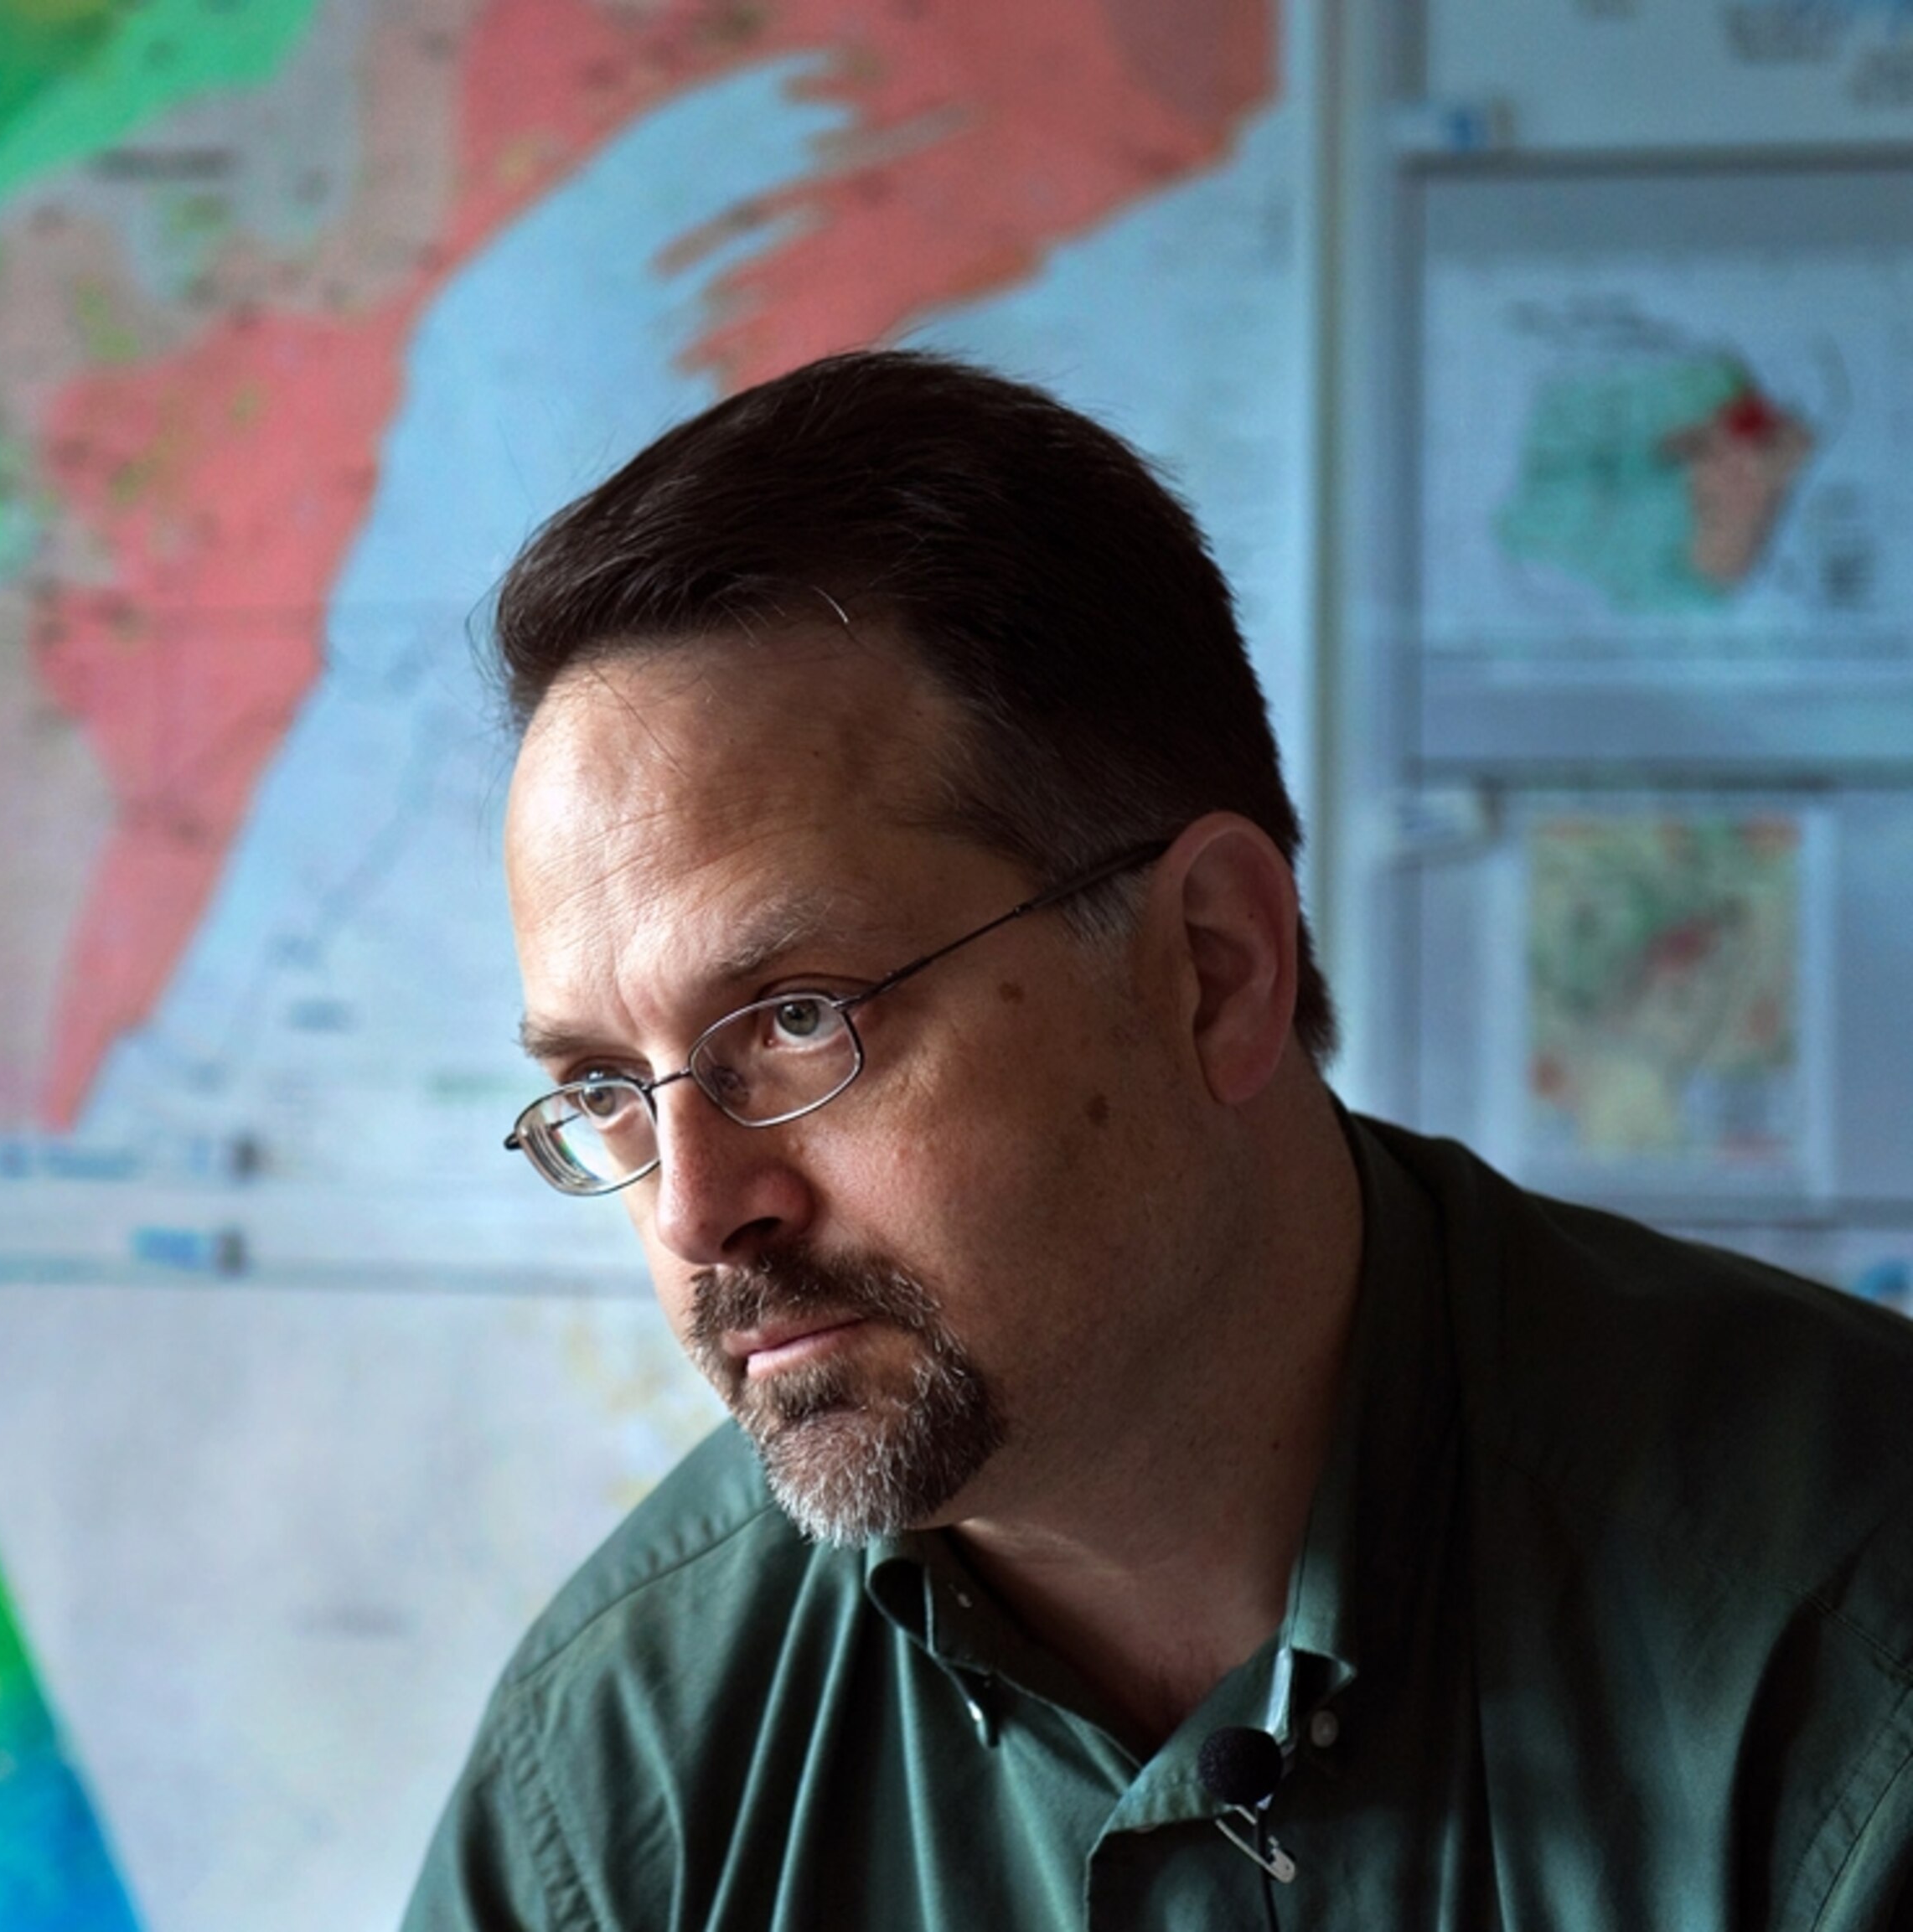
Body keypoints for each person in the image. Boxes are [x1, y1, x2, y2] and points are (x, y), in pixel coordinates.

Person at [401, 350, 1913, 1929]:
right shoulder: (614, 1779)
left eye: (795, 1019)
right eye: (606, 1088)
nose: (695, 1210)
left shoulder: (1852, 1650)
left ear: (1212, 964)